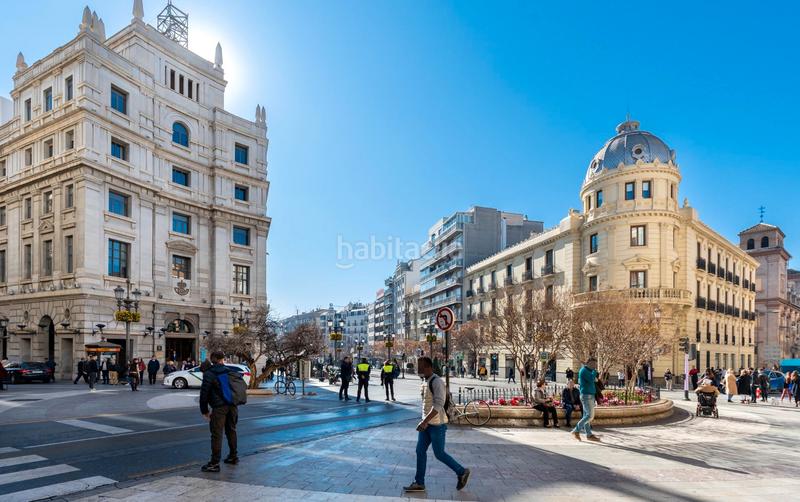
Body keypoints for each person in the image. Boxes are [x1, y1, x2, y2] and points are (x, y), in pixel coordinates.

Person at [403, 357, 469, 493]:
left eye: (420, 366)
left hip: (437, 425)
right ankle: (419, 482)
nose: (418, 368)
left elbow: (438, 405)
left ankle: (461, 471)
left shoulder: (437, 382)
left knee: (439, 453)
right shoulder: (425, 381)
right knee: (420, 451)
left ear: (428, 367)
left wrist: (425, 421)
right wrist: (424, 421)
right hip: (426, 425)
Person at [199, 351, 239, 472]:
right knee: (231, 430)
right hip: (233, 406)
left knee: (217, 434)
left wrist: (204, 410)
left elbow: (204, 394)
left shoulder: (209, 374)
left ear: (212, 360)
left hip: (219, 408)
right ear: (222, 359)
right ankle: (233, 456)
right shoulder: (229, 370)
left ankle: (214, 463)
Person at [571, 356, 600, 442]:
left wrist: (594, 374)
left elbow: (596, 380)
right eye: (594, 364)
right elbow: (592, 379)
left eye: (595, 364)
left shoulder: (589, 371)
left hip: (590, 395)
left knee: (586, 415)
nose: (595, 365)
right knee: (590, 416)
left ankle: (589, 435)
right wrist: (594, 372)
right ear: (589, 363)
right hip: (586, 396)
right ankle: (576, 430)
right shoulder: (583, 371)